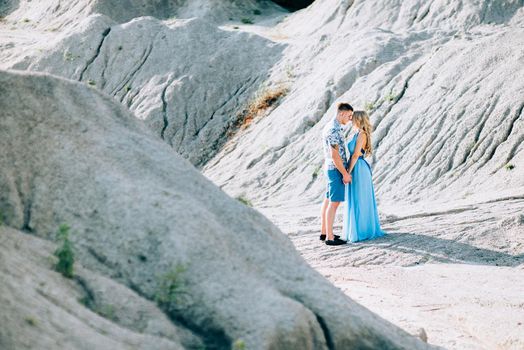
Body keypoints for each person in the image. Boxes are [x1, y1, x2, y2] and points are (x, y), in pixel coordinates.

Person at [342, 110, 385, 242]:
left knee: (360, 199)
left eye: (353, 118)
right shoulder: (356, 133)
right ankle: (357, 229)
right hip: (355, 166)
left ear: (358, 119)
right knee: (356, 198)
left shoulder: (362, 135)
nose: (351, 120)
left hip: (358, 168)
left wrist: (347, 172)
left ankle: (362, 230)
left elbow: (355, 155)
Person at [320, 102, 353, 246]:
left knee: (328, 200)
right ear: (341, 113)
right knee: (334, 203)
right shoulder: (333, 129)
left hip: (330, 168)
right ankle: (330, 238)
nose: (350, 118)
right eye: (349, 115)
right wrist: (345, 174)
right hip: (335, 169)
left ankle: (324, 232)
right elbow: (335, 155)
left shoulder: (331, 126)